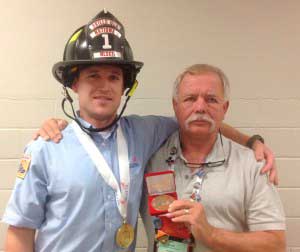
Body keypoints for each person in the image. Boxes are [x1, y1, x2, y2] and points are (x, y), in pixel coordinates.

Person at [3, 10, 277, 252]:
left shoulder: (142, 132)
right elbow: (19, 232)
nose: (104, 86)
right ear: (74, 84)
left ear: (125, 86)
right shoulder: (47, 146)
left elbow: (198, 117)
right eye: (93, 76)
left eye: (113, 77)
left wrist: (252, 142)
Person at [140, 64, 286, 252]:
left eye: (211, 100)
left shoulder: (252, 165)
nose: (200, 107)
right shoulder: (148, 157)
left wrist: (212, 235)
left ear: (224, 108)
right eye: (190, 99)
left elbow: (275, 244)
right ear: (175, 106)